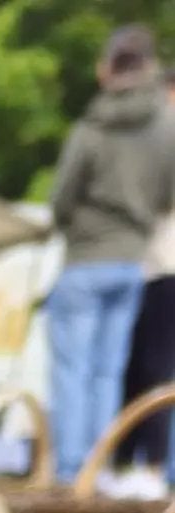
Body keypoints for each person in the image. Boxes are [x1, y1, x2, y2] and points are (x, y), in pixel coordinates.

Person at [47, 25, 175, 482]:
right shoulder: (165, 128)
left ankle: (70, 472)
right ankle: (99, 470)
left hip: (86, 256)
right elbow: (166, 196)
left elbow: (62, 196)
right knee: (107, 373)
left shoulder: (93, 124)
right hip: (130, 262)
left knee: (73, 370)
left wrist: (74, 226)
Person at [118, 71, 175, 479]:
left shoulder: (161, 136)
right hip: (153, 265)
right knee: (146, 365)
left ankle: (147, 466)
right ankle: (142, 464)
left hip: (161, 265)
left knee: (150, 365)